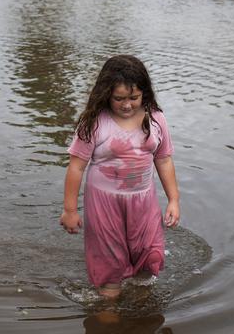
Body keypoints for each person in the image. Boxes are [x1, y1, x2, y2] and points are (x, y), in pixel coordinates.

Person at [60, 55, 180, 299]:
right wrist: (70, 210)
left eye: (134, 98)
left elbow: (164, 159)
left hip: (143, 201)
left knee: (148, 256)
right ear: (106, 94)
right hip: (105, 203)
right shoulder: (94, 122)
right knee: (109, 261)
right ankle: (109, 309)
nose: (127, 105)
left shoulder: (155, 119)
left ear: (144, 94)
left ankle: (141, 298)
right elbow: (76, 167)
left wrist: (173, 200)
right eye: (119, 99)